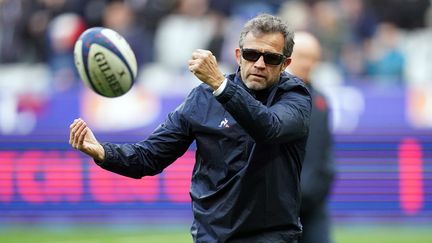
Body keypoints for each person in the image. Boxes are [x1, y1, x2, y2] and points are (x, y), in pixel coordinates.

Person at [69, 14, 311, 243]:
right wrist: (102, 152)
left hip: (269, 236)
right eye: (251, 54)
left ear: (285, 64)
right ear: (238, 55)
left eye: (270, 58)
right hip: (211, 236)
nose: (259, 64)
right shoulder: (203, 99)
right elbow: (149, 157)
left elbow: (269, 128)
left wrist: (220, 84)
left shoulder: (294, 97)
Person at [287, 31, 335, 243]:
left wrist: (323, 183)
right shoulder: (272, 98)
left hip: (315, 205)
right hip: (280, 207)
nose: (308, 63)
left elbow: (325, 150)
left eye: (313, 58)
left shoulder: (321, 102)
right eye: (302, 56)